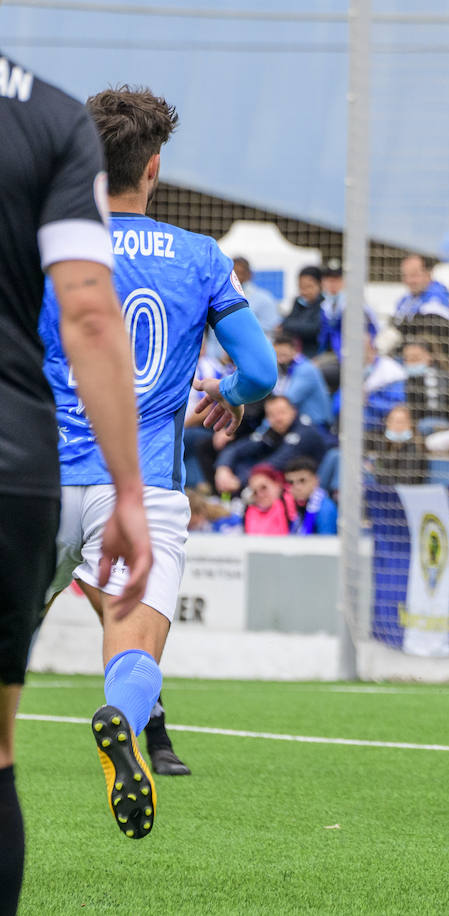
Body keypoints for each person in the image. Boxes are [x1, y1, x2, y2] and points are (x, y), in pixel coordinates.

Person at [38, 87, 276, 834]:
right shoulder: (201, 256)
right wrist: (230, 393)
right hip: (138, 486)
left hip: (37, 476)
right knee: (133, 638)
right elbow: (261, 371)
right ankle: (121, 718)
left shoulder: (43, 245)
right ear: (154, 167)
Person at [0, 53, 152, 910]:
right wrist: (129, 488)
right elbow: (90, 312)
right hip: (20, 461)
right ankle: (131, 714)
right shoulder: (55, 119)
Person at [214, 394, 330, 493]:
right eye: (272, 415)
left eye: (282, 413)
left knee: (261, 475)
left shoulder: (304, 431)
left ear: (293, 411)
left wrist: (239, 480)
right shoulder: (273, 431)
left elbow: (277, 461)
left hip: (315, 485)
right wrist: (223, 468)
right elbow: (237, 449)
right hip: (291, 482)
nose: (278, 418)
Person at [394, 254, 449, 362]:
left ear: (428, 274)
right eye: (405, 276)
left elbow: (425, 328)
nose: (409, 281)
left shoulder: (437, 299)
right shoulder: (406, 301)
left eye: (414, 275)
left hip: (433, 366)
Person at [271, 333, 333, 428]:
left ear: (294, 351)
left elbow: (285, 404)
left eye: (284, 355)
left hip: (316, 426)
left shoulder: (306, 370)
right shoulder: (282, 370)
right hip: (298, 425)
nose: (280, 360)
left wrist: (261, 432)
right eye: (277, 356)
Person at [283, 457, 338, 535]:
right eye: (291, 482)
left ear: (316, 480)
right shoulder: (294, 507)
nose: (297, 487)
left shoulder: (325, 508)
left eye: (302, 481)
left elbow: (326, 544)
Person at [279, 266, 325, 358]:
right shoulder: (298, 302)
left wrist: (290, 325)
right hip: (297, 352)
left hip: (316, 353)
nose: (304, 292)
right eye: (301, 287)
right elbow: (287, 322)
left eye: (309, 287)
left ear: (320, 285)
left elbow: (313, 328)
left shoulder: (324, 304)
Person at [242, 464, 295, 535]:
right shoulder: (248, 511)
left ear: (277, 484)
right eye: (255, 492)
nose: (260, 494)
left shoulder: (291, 504)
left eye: (263, 488)